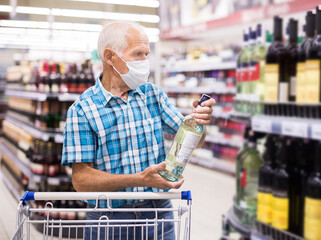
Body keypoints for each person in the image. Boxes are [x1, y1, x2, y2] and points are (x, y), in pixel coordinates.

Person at [61, 21, 216, 239]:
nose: (145, 62)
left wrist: (199, 123)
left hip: (159, 214)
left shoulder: (153, 95)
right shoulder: (82, 110)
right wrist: (140, 179)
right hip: (110, 219)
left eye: (147, 54)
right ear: (110, 57)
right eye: (138, 54)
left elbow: (194, 140)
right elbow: (82, 181)